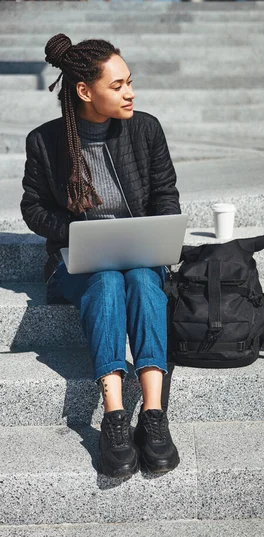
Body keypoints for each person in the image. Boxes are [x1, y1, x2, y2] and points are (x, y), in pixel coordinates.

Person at [20, 33, 181, 479]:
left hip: (139, 256)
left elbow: (165, 194)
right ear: (84, 91)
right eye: (118, 85)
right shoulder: (45, 142)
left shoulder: (145, 129)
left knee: (145, 280)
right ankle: (114, 416)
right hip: (79, 262)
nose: (130, 92)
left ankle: (152, 416)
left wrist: (157, 235)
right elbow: (32, 207)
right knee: (108, 280)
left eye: (130, 82)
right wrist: (78, 232)